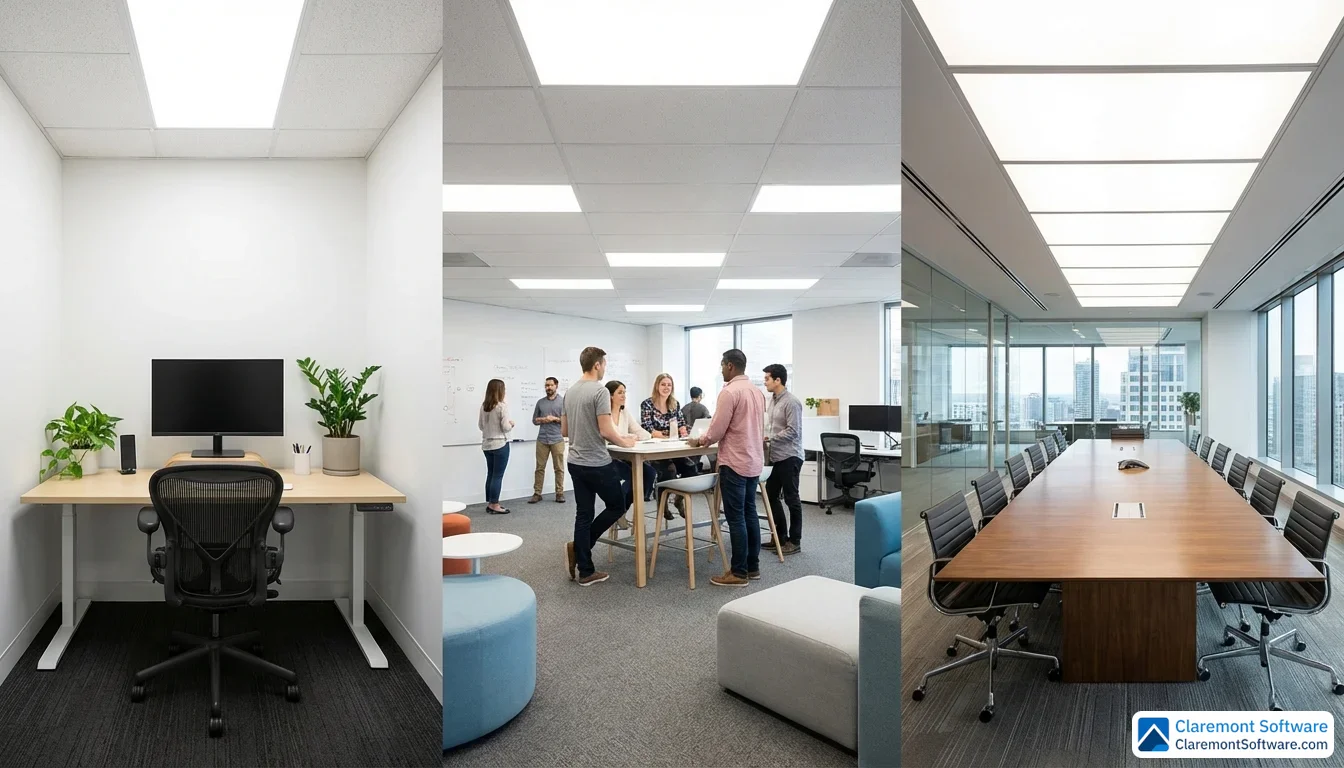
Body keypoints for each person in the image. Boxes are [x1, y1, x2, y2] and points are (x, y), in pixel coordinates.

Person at [688, 349, 765, 587]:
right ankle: (752, 567)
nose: (721, 369)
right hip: (753, 461)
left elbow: (717, 430)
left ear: (730, 366)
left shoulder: (729, 392)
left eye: (722, 365)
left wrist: (699, 441)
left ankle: (738, 572)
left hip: (734, 461)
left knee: (736, 518)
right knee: (749, 513)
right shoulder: (757, 392)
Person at [561, 346, 637, 586]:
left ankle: (585, 568)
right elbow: (605, 430)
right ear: (597, 365)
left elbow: (564, 431)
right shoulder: (600, 391)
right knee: (618, 505)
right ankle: (581, 549)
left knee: (584, 513)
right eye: (604, 364)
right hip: (596, 463)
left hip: (575, 461)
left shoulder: (570, 392)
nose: (605, 368)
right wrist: (624, 441)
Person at [640, 373, 698, 519]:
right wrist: (666, 434)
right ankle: (662, 502)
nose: (666, 387)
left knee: (691, 468)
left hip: (673, 448)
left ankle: (679, 500)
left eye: (669, 385)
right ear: (657, 386)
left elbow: (680, 424)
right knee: (668, 471)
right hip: (655, 450)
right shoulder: (647, 404)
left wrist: (683, 429)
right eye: (663, 384)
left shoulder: (674, 404)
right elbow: (647, 429)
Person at [762, 364, 803, 555]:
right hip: (776, 456)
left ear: (778, 380)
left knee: (791, 499)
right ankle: (779, 537)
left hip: (790, 456)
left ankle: (795, 541)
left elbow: (794, 431)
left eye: (767, 378)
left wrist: (771, 438)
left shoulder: (791, 402)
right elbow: (770, 426)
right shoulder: (772, 401)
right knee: (770, 496)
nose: (765, 382)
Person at [605, 380, 654, 530]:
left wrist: (643, 436)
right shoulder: (604, 414)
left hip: (626, 455)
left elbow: (639, 431)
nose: (624, 395)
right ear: (611, 396)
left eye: (625, 392)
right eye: (620, 392)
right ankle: (619, 511)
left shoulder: (624, 411)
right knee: (635, 476)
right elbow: (612, 437)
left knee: (650, 473)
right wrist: (627, 437)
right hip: (609, 457)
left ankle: (622, 510)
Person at [479, 378, 514, 515]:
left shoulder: (484, 406)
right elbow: (505, 427)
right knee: (498, 476)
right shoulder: (501, 406)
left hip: (487, 444)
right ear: (501, 391)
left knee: (491, 474)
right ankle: (495, 504)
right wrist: (511, 424)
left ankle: (490, 502)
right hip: (500, 444)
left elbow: (480, 426)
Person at [529, 376, 565, 504]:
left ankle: (559, 493)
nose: (548, 388)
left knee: (559, 468)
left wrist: (555, 419)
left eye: (550, 385)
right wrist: (543, 420)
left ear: (556, 386)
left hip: (557, 439)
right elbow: (534, 420)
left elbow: (567, 421)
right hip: (542, 439)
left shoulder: (563, 402)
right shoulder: (540, 402)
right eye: (546, 385)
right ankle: (537, 493)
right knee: (539, 468)